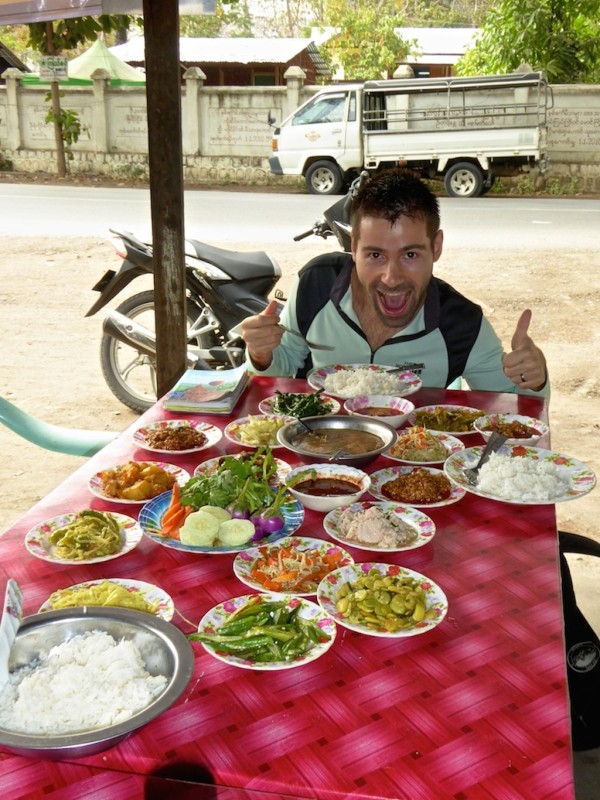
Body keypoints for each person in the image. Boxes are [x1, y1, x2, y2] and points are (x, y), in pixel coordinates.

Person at [241, 169, 549, 397]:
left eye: (410, 254)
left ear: (436, 247)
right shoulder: (316, 286)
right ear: (353, 248)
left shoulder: (461, 322)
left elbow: (515, 406)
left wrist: (534, 378)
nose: (392, 277)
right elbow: (281, 367)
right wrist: (261, 355)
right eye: (375, 254)